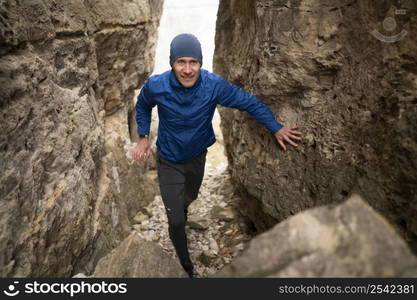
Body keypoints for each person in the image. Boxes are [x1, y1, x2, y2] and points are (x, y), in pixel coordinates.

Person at [132, 33, 301, 277]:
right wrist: (143, 136)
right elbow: (143, 105)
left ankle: (183, 208)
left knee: (189, 197)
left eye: (193, 62)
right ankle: (186, 265)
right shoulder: (156, 85)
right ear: (172, 63)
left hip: (197, 157)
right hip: (168, 159)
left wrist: (276, 127)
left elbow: (248, 102)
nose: (188, 69)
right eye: (181, 62)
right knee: (176, 220)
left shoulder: (214, 86)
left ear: (201, 63)